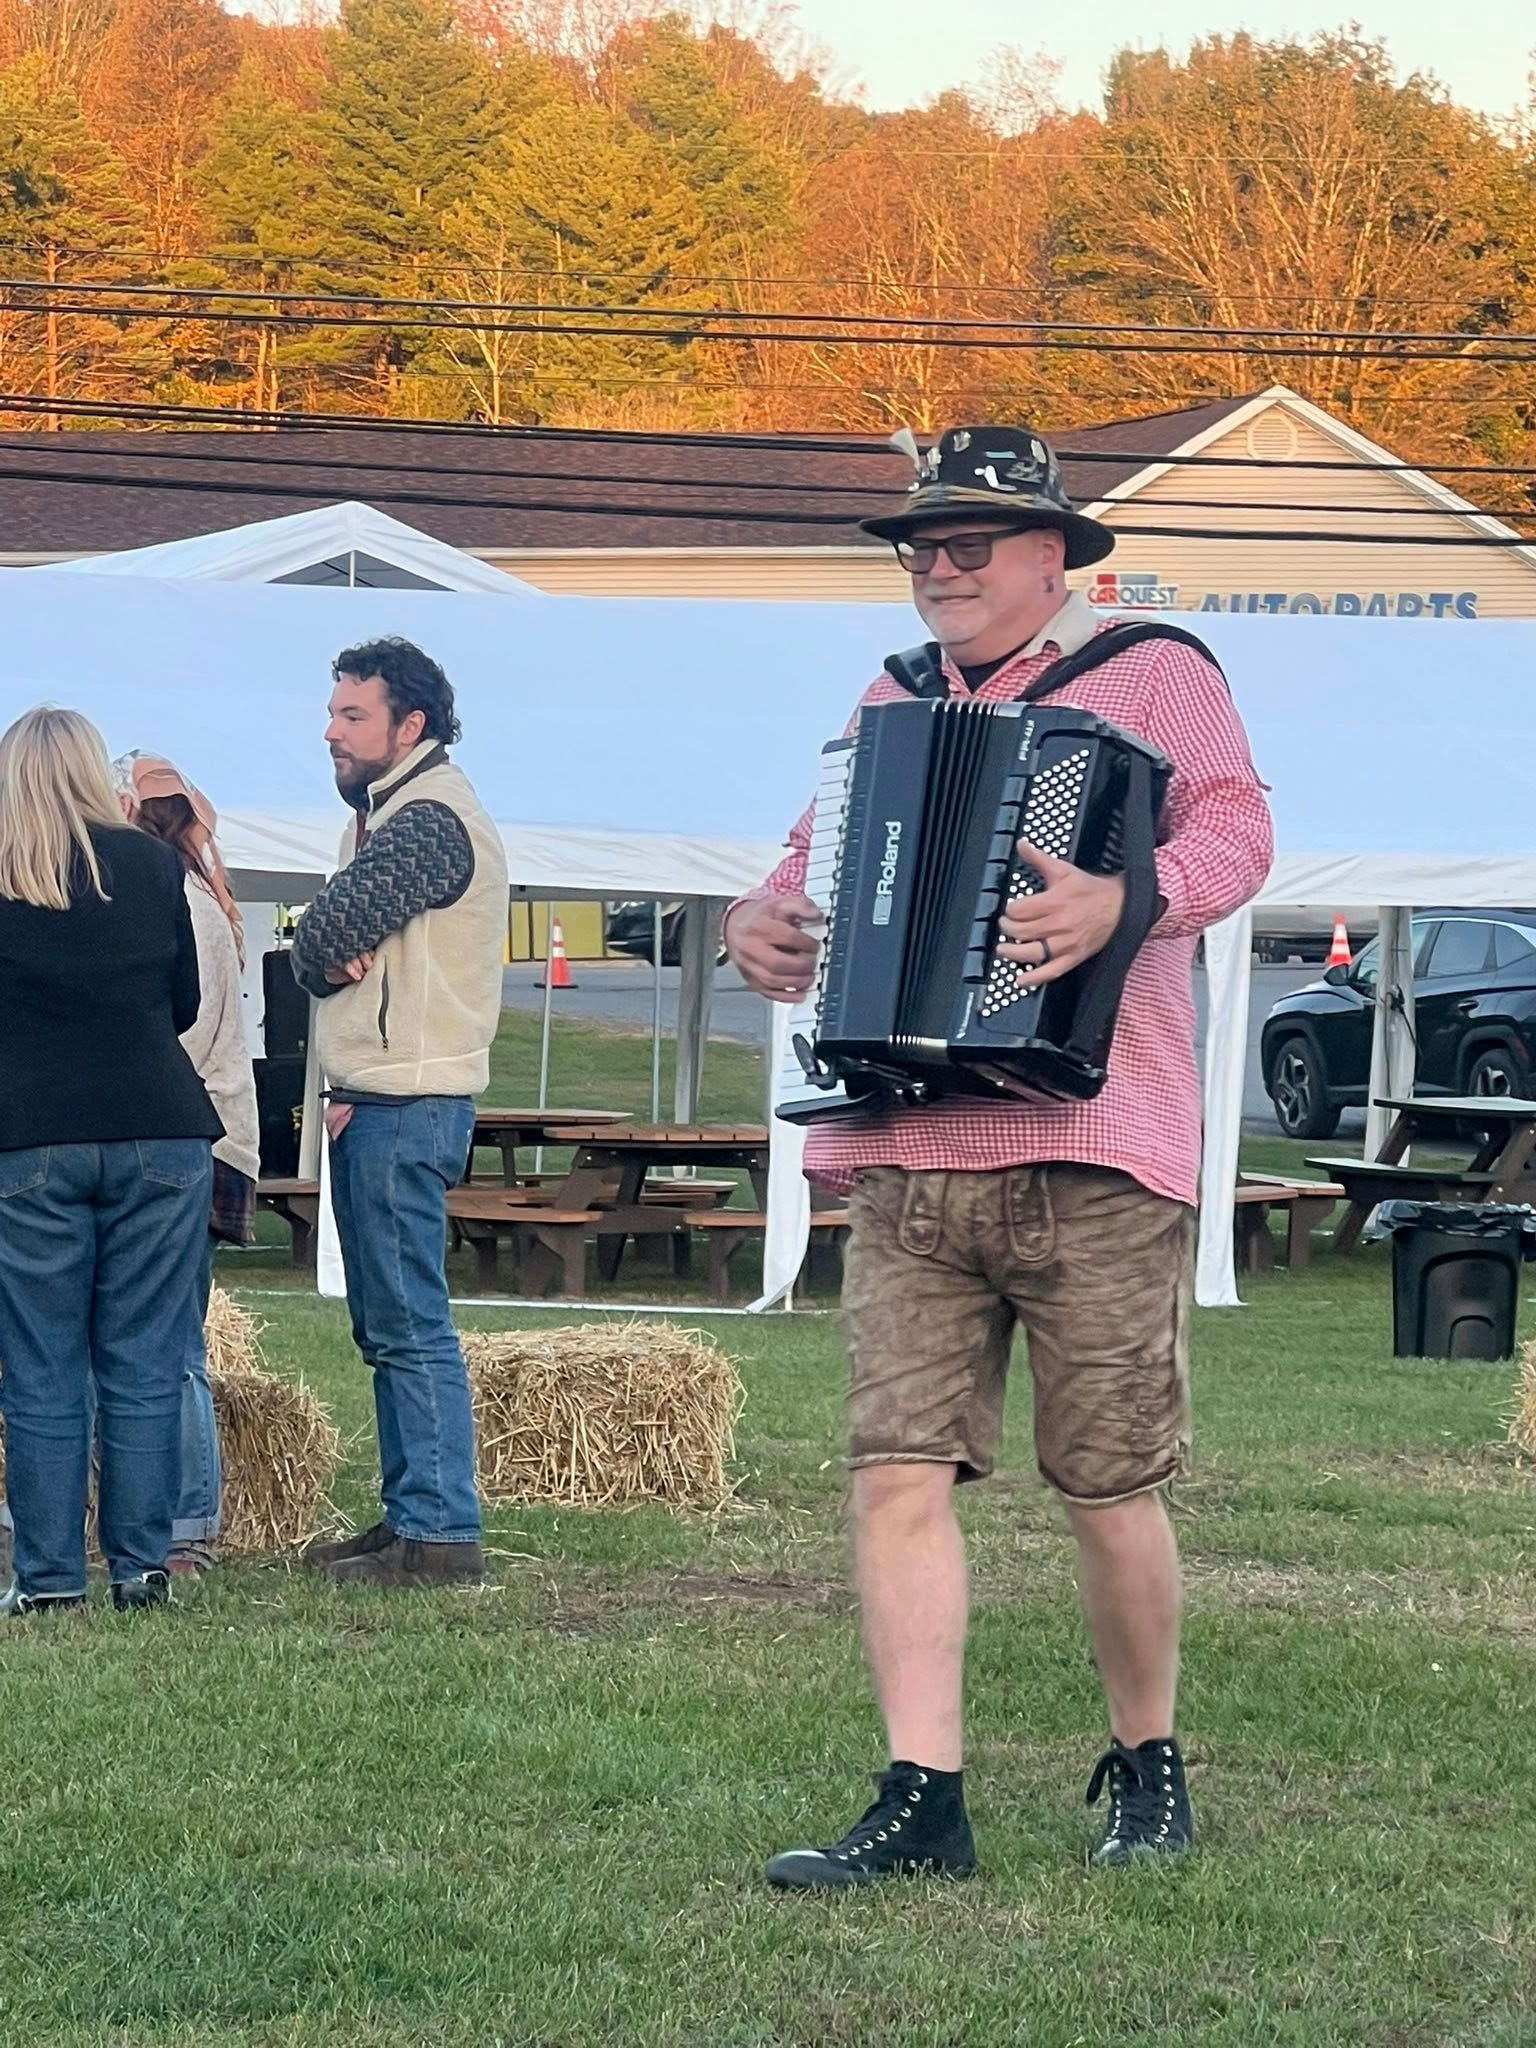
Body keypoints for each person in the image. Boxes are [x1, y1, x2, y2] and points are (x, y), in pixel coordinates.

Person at [727, 426, 1273, 1882]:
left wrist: (1125, 899)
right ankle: (925, 1798)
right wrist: (759, 920)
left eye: (971, 541)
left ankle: (1148, 1759)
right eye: (923, 543)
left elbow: (1238, 831)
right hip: (911, 1143)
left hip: (1096, 1140)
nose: (940, 565)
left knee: (1108, 1485)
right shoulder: (889, 697)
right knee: (893, 1471)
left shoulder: (1155, 670)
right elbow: (812, 856)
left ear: (1053, 555)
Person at [291, 638, 507, 1589]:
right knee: (388, 1323)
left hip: (408, 1099)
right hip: (388, 1097)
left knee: (408, 1323)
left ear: (408, 726)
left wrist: (315, 950)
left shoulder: (426, 820)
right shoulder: (392, 816)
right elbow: (330, 937)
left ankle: (436, 1533)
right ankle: (413, 1519)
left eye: (352, 716)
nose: (331, 730)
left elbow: (327, 934)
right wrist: (323, 946)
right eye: (334, 712)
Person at [0, 708, 221, 1615]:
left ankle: (49, 1581)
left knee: (43, 1368)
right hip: (160, 1125)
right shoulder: (152, 864)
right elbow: (184, 999)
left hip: (28, 1137)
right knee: (143, 1360)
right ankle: (142, 1570)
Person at [113, 752, 260, 1575]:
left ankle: (189, 1524)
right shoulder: (194, 895)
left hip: (189, 1137)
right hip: (194, 1134)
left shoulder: (179, 901)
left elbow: (184, 1029)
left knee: (172, 1345)